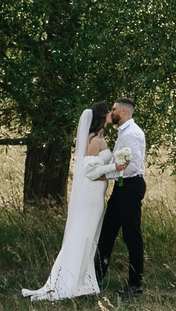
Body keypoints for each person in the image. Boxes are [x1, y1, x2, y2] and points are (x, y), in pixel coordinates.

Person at [20, 104, 117, 300]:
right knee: (84, 236)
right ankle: (70, 282)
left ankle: (83, 281)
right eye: (107, 111)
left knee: (90, 238)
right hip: (91, 195)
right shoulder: (95, 140)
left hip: (96, 195)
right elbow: (89, 172)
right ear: (101, 115)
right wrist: (114, 168)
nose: (110, 114)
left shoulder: (99, 138)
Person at [92, 97, 146, 296]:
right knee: (108, 232)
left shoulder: (131, 133)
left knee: (131, 235)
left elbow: (131, 166)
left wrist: (106, 174)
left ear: (123, 111)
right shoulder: (124, 132)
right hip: (122, 187)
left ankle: (135, 283)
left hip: (130, 186)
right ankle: (96, 278)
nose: (111, 112)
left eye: (113, 109)